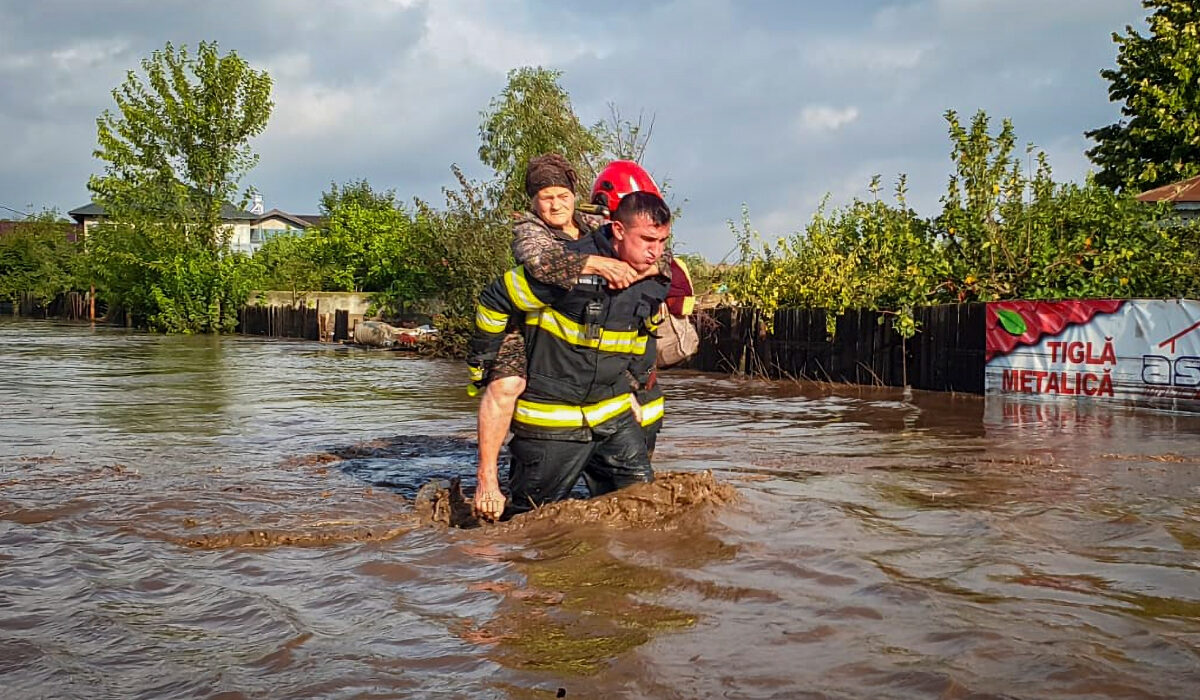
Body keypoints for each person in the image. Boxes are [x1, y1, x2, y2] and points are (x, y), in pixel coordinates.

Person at [473, 156, 668, 515]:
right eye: (546, 197)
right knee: (506, 386)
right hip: (523, 324)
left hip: (604, 400)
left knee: (643, 507)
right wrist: (483, 360)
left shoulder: (598, 225)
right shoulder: (530, 231)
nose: (555, 205)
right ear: (533, 201)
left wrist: (637, 271)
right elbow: (538, 268)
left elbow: (653, 250)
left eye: (563, 195)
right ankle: (487, 480)